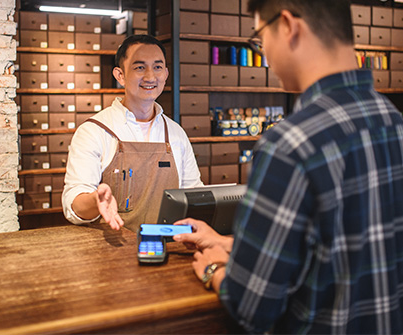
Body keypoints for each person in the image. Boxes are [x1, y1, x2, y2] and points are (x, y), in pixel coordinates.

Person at [173, 0, 403, 333]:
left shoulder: (289, 145)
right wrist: (230, 244)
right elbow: (346, 247)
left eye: (259, 37)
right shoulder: (392, 121)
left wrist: (213, 271)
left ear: (287, 26)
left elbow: (253, 307)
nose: (263, 52)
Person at [62, 35, 203, 231]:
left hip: (168, 249)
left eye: (157, 67)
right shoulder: (94, 131)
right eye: (139, 67)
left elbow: (193, 195)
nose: (150, 77)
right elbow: (72, 205)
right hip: (111, 251)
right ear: (120, 75)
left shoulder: (176, 133)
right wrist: (96, 200)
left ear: (166, 74)